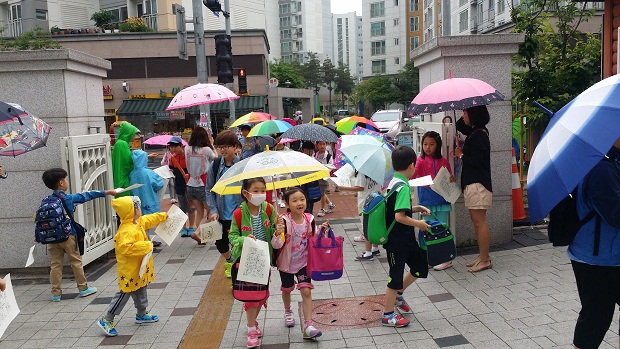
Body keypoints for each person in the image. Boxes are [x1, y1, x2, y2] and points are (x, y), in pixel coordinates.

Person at [568, 137, 620, 349]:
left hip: (610, 254)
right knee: (596, 317)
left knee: (595, 316)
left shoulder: (612, 161)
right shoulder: (601, 168)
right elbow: (615, 214)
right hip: (597, 258)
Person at [41, 168, 117, 301]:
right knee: (75, 261)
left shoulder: (46, 200)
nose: (67, 181)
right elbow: (86, 196)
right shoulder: (68, 199)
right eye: (66, 179)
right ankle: (83, 288)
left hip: (52, 237)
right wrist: (106, 192)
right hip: (67, 235)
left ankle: (55, 293)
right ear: (61, 183)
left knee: (55, 264)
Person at [97, 196, 167, 337]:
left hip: (139, 268)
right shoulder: (126, 230)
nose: (140, 209)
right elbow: (126, 249)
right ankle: (107, 319)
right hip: (129, 271)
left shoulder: (138, 222)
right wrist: (147, 245)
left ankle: (141, 314)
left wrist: (164, 216)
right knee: (124, 293)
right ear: (132, 211)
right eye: (138, 207)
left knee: (141, 288)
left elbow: (150, 219)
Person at [381, 146, 431, 328]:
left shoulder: (395, 181)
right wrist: (420, 224)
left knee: (419, 266)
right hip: (397, 241)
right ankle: (387, 314)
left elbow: (397, 208)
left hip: (406, 240)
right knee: (394, 277)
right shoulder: (402, 186)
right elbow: (399, 216)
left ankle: (399, 294)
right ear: (412, 165)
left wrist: (415, 209)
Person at [271, 187, 329, 340]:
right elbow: (276, 245)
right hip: (286, 263)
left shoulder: (309, 218)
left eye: (302, 199)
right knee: (287, 289)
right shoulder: (283, 220)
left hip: (304, 262)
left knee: (306, 291)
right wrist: (277, 233)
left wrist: (321, 231)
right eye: (295, 200)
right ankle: (288, 310)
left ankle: (308, 326)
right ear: (287, 204)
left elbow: (312, 236)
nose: (299, 203)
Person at [228, 177, 277, 348]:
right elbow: (232, 236)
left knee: (262, 295)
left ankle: (253, 322)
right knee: (252, 297)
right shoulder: (239, 214)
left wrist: (278, 229)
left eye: (263, 190)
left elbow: (274, 233)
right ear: (246, 193)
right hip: (246, 259)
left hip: (264, 260)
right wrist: (243, 239)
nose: (260, 194)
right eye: (255, 190)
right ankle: (250, 330)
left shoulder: (269, 209)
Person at [455, 105, 493, 273]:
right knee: (476, 222)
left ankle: (485, 259)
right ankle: (482, 255)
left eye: (465, 112)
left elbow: (477, 161)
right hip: (473, 183)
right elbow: (459, 126)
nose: (463, 115)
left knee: (480, 222)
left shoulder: (479, 136)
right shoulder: (474, 132)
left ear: (474, 114)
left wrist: (461, 154)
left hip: (478, 185)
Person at [413, 131, 455, 271]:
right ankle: (428, 256)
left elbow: (449, 178)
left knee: (441, 229)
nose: (428, 147)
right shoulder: (420, 161)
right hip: (426, 201)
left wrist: (452, 178)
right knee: (426, 229)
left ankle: (445, 258)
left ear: (438, 145)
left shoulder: (444, 161)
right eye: (425, 144)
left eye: (431, 144)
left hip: (442, 201)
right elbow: (414, 175)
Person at [206, 130, 243, 278]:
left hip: (239, 213)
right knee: (221, 244)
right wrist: (213, 209)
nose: (223, 149)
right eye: (220, 146)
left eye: (227, 146)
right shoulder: (215, 166)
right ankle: (229, 260)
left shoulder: (242, 165)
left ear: (235, 147)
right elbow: (209, 189)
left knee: (239, 243)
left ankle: (238, 266)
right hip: (221, 213)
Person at [339, 171, 382, 261]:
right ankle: (375, 248)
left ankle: (368, 253)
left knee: (366, 227)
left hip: (366, 202)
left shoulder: (362, 172)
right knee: (374, 225)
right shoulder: (378, 170)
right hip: (377, 200)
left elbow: (360, 187)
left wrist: (341, 187)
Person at [185, 126, 217, 243]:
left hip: (190, 185)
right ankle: (198, 232)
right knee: (210, 211)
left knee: (199, 211)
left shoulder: (187, 149)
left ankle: (201, 237)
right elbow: (216, 159)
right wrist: (212, 145)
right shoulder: (206, 150)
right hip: (203, 185)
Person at [168, 136, 196, 237]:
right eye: (172, 146)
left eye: (176, 146)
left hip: (189, 185)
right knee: (182, 208)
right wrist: (170, 171)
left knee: (191, 207)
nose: (174, 148)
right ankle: (184, 228)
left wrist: (188, 175)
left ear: (181, 146)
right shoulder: (173, 158)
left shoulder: (188, 156)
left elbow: (194, 169)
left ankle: (191, 227)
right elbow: (171, 169)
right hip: (179, 185)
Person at [130, 150, 164, 214]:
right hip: (151, 205)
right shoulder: (149, 173)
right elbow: (160, 184)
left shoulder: (131, 174)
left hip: (137, 207)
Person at [112, 122, 139, 197]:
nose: (135, 136)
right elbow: (128, 162)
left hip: (119, 178)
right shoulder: (122, 144)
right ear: (128, 133)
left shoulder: (120, 143)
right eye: (134, 134)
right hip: (123, 181)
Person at [314, 141, 336, 217]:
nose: (322, 146)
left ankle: (322, 209)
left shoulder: (328, 156)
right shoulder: (315, 155)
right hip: (316, 177)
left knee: (322, 193)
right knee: (321, 192)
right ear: (317, 145)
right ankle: (330, 204)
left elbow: (331, 166)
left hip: (324, 177)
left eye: (324, 144)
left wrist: (322, 167)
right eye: (320, 144)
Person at [300, 141, 320, 215]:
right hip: (302, 188)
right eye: (311, 151)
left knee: (310, 207)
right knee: (305, 209)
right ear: (305, 150)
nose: (312, 153)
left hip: (310, 189)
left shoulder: (311, 159)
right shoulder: (299, 160)